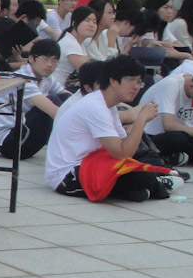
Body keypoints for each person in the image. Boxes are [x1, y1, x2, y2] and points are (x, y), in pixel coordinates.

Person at [44, 55, 175, 202]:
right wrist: (141, 119)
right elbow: (122, 154)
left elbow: (126, 147)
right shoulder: (95, 107)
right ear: (113, 80)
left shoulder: (108, 105)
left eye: (139, 82)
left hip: (93, 163)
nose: (136, 86)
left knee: (143, 161)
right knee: (139, 174)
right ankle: (154, 185)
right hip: (68, 175)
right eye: (130, 79)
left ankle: (142, 190)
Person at [0, 39, 64, 159]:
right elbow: (53, 111)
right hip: (9, 143)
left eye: (54, 61)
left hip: (22, 134)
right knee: (53, 102)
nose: (50, 65)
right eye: (45, 59)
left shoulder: (45, 78)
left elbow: (66, 95)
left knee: (64, 98)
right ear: (31, 58)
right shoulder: (23, 79)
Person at [140, 69, 193, 166]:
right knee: (178, 138)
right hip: (154, 136)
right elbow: (169, 125)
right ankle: (172, 156)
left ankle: (179, 156)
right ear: (192, 86)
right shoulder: (171, 85)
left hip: (186, 135)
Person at [55, 4, 98, 89]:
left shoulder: (78, 43)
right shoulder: (70, 43)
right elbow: (89, 73)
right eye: (87, 20)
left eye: (95, 22)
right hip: (59, 89)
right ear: (74, 23)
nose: (92, 25)